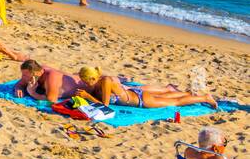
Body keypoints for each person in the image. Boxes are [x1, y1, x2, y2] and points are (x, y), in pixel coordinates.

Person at [76, 67, 218, 109]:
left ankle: (205, 97)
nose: (84, 83)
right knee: (172, 96)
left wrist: (88, 97)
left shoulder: (105, 81)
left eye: (85, 81)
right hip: (136, 94)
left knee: (175, 102)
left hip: (141, 100)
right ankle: (193, 94)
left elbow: (105, 105)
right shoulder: (98, 82)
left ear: (93, 78)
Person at [13, 60, 85, 103]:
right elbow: (20, 84)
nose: (23, 77)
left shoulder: (51, 76)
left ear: (37, 74)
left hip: (88, 86)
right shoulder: (35, 73)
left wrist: (32, 93)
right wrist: (19, 88)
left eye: (25, 75)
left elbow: (51, 100)